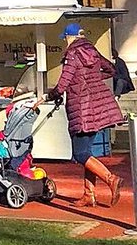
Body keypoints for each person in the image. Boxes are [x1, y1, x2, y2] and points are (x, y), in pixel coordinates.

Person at [40, 23, 125, 208]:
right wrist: (92, 80)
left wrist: (49, 95)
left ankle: (110, 179)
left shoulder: (72, 54)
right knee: (87, 153)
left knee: (80, 154)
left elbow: (63, 84)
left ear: (70, 37)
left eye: (66, 38)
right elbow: (111, 69)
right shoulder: (92, 50)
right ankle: (89, 195)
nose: (65, 42)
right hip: (98, 108)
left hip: (82, 108)